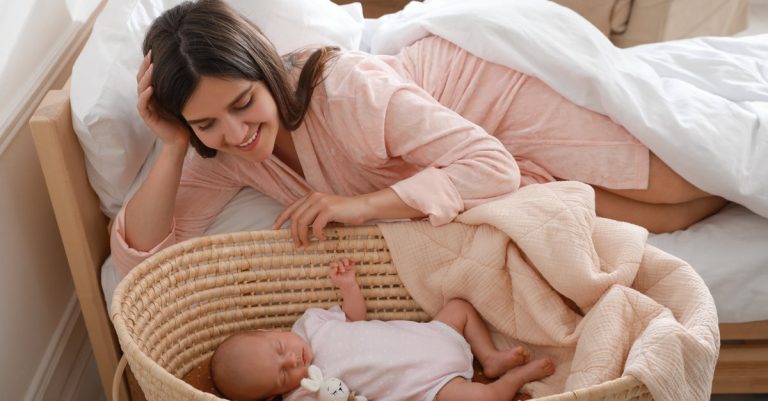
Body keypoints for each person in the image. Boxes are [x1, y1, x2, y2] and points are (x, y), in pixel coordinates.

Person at [112, 0, 727, 275]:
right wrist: (171, 145)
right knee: (666, 223)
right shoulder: (222, 148)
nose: (236, 132)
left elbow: (490, 164)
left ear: (266, 71)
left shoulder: (345, 91)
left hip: (491, 101)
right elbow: (144, 259)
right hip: (459, 160)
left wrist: (359, 208)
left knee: (693, 179)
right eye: (206, 123)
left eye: (244, 104)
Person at [210, 258, 555, 401]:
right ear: (275, 395)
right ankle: (515, 379)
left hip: (430, 336)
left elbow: (354, 318)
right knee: (481, 399)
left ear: (270, 331)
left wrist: (348, 287)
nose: (292, 361)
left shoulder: (312, 323)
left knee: (459, 308)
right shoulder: (305, 394)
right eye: (283, 376)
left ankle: (490, 358)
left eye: (278, 349)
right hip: (431, 386)